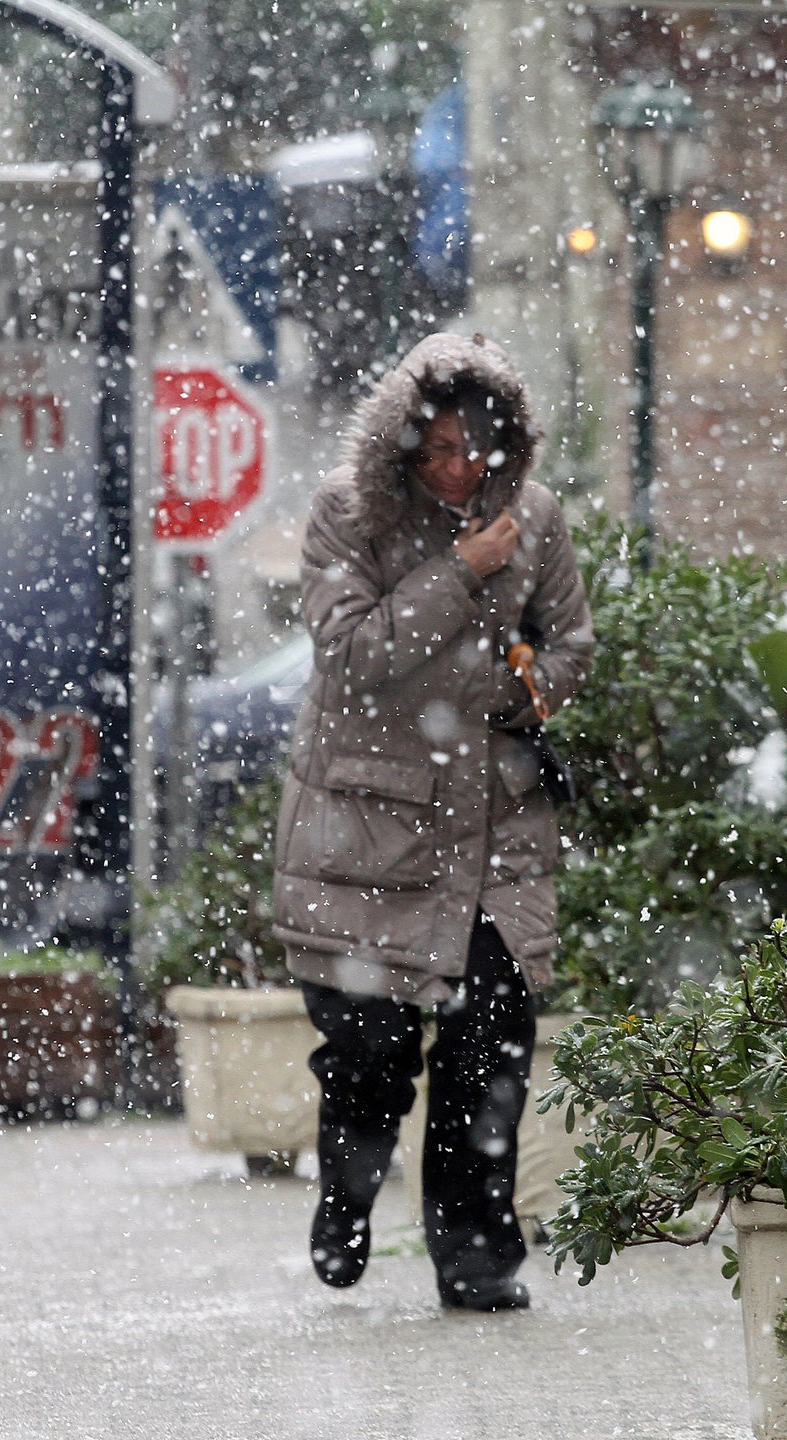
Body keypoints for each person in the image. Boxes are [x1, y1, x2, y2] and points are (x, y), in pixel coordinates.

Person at [272, 332, 593, 1312]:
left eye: (478, 451)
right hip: (369, 833)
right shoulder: (347, 515)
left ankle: (478, 1256)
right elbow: (356, 656)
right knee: (369, 1051)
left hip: (495, 835)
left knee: (488, 1050)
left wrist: (508, 686)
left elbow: (570, 647)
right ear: (402, 447)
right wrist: (459, 570)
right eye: (440, 450)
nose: (460, 470)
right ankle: (347, 1198)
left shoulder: (535, 519)